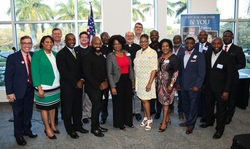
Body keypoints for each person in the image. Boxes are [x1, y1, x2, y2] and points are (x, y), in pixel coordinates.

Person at [5, 35, 37, 146]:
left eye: (29, 43)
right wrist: (10, 92)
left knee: (28, 111)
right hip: (17, 90)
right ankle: (18, 135)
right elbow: (8, 77)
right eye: (24, 43)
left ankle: (27, 130)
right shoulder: (13, 57)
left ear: (32, 45)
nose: (27, 45)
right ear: (20, 44)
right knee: (18, 113)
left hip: (30, 88)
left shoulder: (34, 55)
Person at [200, 37, 235, 139]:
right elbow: (205, 71)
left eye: (218, 44)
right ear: (211, 44)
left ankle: (219, 130)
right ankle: (209, 121)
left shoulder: (228, 57)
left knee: (221, 110)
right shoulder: (207, 54)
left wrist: (226, 91)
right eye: (214, 43)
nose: (216, 46)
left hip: (221, 89)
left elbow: (230, 76)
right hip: (208, 87)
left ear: (222, 44)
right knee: (208, 106)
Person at [56, 33, 89, 139]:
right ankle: (70, 129)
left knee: (77, 107)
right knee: (67, 109)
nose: (72, 41)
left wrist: (82, 80)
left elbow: (83, 68)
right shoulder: (61, 54)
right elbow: (64, 71)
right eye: (69, 39)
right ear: (65, 41)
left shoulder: (78, 52)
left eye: (73, 39)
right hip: (68, 87)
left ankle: (78, 126)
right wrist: (76, 82)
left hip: (79, 85)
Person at [31, 35, 60, 139]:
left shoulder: (55, 54)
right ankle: (47, 128)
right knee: (45, 108)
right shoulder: (37, 55)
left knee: (53, 107)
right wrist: (39, 88)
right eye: (47, 42)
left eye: (51, 42)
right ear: (42, 43)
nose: (49, 44)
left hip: (56, 85)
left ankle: (53, 125)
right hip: (44, 86)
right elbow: (35, 72)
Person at [176, 37, 206, 134]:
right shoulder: (181, 55)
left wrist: (197, 86)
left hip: (194, 87)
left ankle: (191, 125)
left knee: (193, 106)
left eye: (191, 43)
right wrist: (178, 83)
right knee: (185, 105)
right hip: (183, 85)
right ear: (184, 44)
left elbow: (202, 73)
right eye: (187, 43)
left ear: (194, 44)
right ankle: (188, 120)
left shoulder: (200, 55)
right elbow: (179, 71)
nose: (189, 45)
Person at [107, 35, 135, 131]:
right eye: (115, 44)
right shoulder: (110, 56)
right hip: (117, 81)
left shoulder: (126, 53)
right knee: (118, 103)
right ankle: (119, 123)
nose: (117, 46)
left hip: (127, 80)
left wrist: (132, 81)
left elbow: (130, 68)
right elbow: (109, 73)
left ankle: (128, 121)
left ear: (122, 44)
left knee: (128, 102)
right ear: (112, 45)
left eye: (118, 43)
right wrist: (113, 87)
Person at [83, 37, 109, 137]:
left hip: (102, 85)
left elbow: (105, 68)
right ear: (91, 44)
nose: (98, 46)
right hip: (93, 87)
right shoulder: (87, 56)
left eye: (99, 44)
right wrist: (99, 85)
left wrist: (106, 81)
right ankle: (94, 128)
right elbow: (87, 74)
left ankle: (97, 125)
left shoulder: (102, 54)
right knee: (96, 106)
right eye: (96, 44)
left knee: (98, 106)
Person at [134, 34, 158, 131]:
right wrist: (135, 80)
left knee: (145, 100)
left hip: (148, 80)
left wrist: (149, 83)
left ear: (148, 42)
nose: (143, 43)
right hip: (139, 81)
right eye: (141, 41)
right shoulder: (138, 52)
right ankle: (145, 117)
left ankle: (149, 119)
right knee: (142, 100)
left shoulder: (152, 52)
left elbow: (154, 69)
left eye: (145, 41)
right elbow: (135, 68)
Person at [222, 30, 246, 125]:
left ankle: (229, 116)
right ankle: (221, 113)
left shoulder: (237, 49)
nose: (227, 38)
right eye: (225, 36)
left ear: (232, 37)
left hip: (232, 79)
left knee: (231, 98)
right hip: (221, 79)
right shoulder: (219, 48)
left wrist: (230, 68)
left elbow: (242, 64)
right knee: (221, 98)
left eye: (229, 36)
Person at [157, 39, 179, 132]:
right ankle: (166, 118)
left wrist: (171, 85)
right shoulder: (160, 56)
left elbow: (176, 72)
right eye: (163, 46)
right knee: (163, 102)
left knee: (166, 103)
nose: (165, 48)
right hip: (160, 84)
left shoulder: (174, 58)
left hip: (168, 85)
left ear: (170, 47)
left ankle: (164, 122)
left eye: (167, 46)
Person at [195, 30, 213, 123]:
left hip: (207, 75)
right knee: (197, 94)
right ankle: (199, 111)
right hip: (196, 75)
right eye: (200, 35)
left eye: (204, 35)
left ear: (207, 36)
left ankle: (205, 115)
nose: (202, 36)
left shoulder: (211, 46)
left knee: (206, 96)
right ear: (198, 36)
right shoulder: (195, 45)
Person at [124, 31, 142, 121]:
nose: (129, 37)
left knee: (137, 93)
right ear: (125, 37)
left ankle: (137, 112)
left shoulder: (138, 47)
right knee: (128, 94)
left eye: (131, 36)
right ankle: (130, 111)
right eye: (128, 36)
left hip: (137, 73)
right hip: (126, 73)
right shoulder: (122, 47)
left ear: (133, 37)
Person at [75, 31, 92, 124]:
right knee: (80, 98)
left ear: (88, 39)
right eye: (82, 37)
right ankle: (81, 115)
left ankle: (87, 114)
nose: (84, 38)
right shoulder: (75, 49)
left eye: (86, 37)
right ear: (80, 39)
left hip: (90, 78)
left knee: (89, 98)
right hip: (79, 78)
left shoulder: (91, 49)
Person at [170, 35, 185, 120]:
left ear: (181, 40)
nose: (176, 40)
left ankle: (180, 111)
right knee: (170, 93)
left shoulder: (184, 50)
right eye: (175, 39)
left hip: (180, 75)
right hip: (170, 75)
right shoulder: (169, 49)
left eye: (178, 39)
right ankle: (171, 108)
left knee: (181, 95)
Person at [51, 27, 65, 125]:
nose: (57, 35)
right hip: (53, 75)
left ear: (61, 35)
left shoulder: (65, 45)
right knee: (54, 97)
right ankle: (54, 118)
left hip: (63, 75)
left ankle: (64, 114)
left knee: (65, 96)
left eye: (58, 33)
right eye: (55, 34)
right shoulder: (49, 45)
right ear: (52, 35)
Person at [149, 30, 162, 119]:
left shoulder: (161, 46)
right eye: (152, 35)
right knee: (151, 92)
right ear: (150, 37)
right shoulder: (148, 46)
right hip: (150, 72)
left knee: (158, 93)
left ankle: (158, 111)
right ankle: (152, 109)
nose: (154, 36)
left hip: (160, 73)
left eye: (155, 35)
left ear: (158, 36)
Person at [100, 31, 112, 125]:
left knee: (116, 98)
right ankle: (103, 117)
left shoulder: (114, 47)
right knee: (104, 99)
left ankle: (118, 116)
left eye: (106, 37)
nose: (105, 38)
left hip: (114, 78)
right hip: (104, 79)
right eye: (103, 37)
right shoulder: (100, 49)